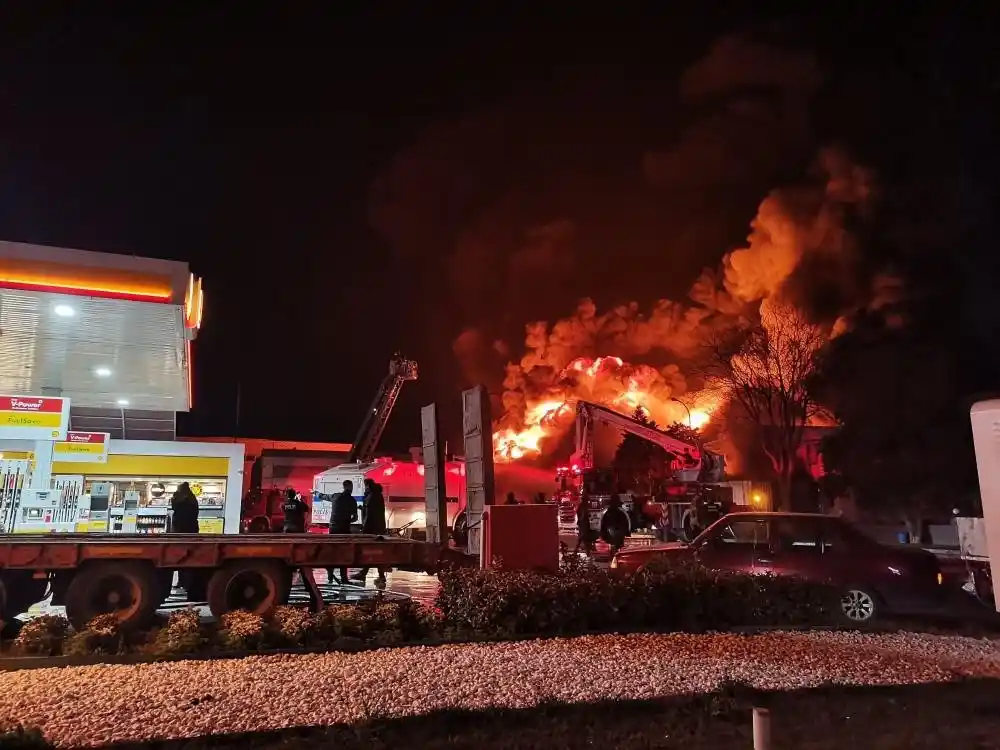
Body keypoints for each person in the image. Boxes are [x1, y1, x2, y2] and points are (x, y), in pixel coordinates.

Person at [351, 479, 389, 584]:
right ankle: (371, 575)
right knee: (376, 553)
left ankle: (366, 574)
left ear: (368, 485)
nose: (365, 487)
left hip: (372, 530)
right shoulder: (377, 495)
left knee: (370, 552)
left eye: (365, 485)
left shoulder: (371, 496)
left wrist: (365, 529)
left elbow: (369, 515)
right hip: (379, 528)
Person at [327, 479, 357, 586]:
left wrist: (315, 493)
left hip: (333, 529)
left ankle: (330, 576)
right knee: (344, 554)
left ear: (343, 487)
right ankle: (344, 578)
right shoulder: (352, 500)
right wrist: (348, 520)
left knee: (332, 552)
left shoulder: (335, 496)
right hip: (344, 529)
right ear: (350, 488)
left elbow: (324, 496)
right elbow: (355, 517)